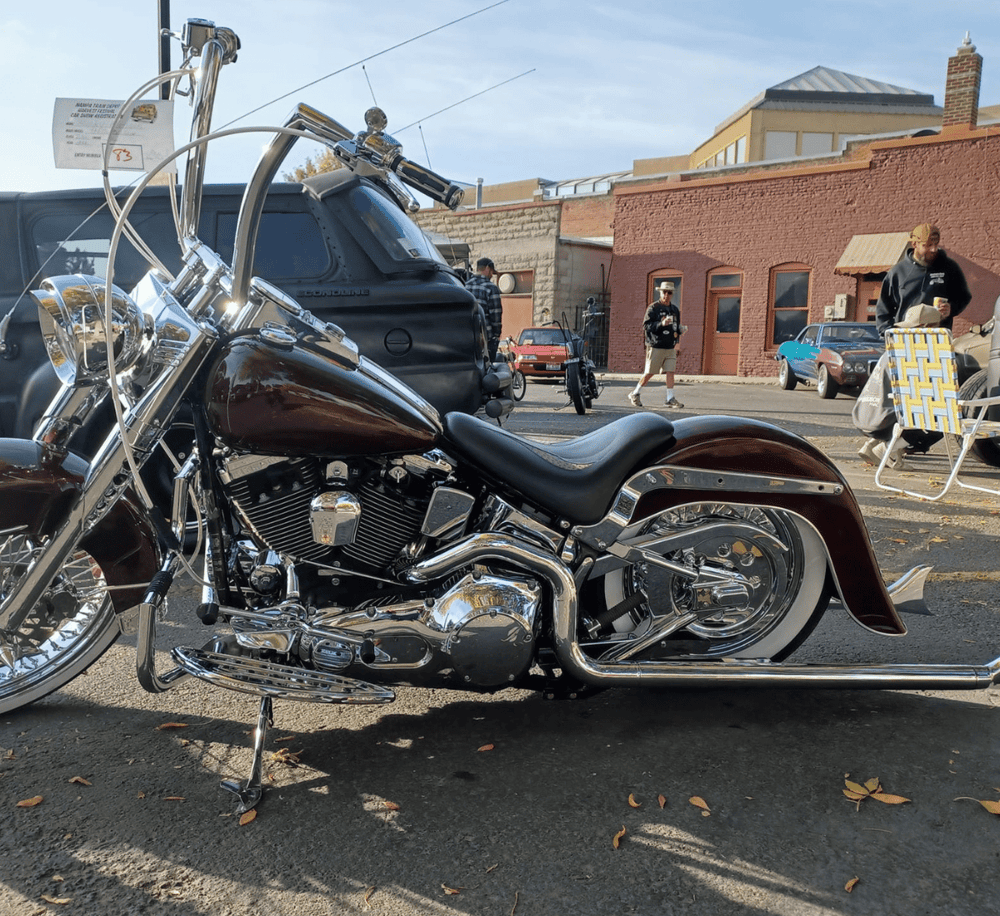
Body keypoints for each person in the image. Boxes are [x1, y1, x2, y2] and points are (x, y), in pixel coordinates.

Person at [858, 223, 972, 468]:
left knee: (929, 402)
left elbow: (964, 296)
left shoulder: (949, 268)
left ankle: (887, 447)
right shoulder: (898, 272)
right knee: (905, 401)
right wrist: (889, 339)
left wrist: (952, 308)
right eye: (927, 245)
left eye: (935, 245)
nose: (932, 250)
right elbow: (883, 311)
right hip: (904, 345)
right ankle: (886, 445)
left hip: (935, 347)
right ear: (914, 244)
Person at [629, 280, 684, 408]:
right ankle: (635, 393)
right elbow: (646, 326)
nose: (666, 295)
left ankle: (670, 398)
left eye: (669, 292)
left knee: (670, 371)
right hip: (656, 345)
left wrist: (680, 331)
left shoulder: (675, 310)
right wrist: (661, 324)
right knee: (649, 373)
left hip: (670, 346)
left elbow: (675, 327)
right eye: (664, 292)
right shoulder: (653, 308)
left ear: (672, 294)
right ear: (660, 292)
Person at [466, 257, 503, 361]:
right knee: (487, 369)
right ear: (487, 268)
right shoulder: (491, 288)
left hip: (467, 336)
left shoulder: (465, 286)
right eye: (491, 272)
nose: (491, 275)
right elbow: (496, 315)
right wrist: (496, 335)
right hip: (485, 337)